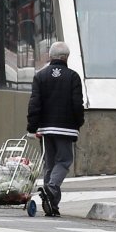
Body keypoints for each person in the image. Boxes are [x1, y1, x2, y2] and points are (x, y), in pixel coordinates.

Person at [26, 40, 84, 218]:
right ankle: (51, 190)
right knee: (65, 161)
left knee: (50, 165)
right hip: (66, 128)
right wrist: (78, 123)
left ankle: (52, 206)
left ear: (50, 56)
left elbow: (35, 104)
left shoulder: (40, 76)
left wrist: (32, 127)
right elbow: (77, 104)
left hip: (45, 129)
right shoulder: (73, 76)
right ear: (66, 57)